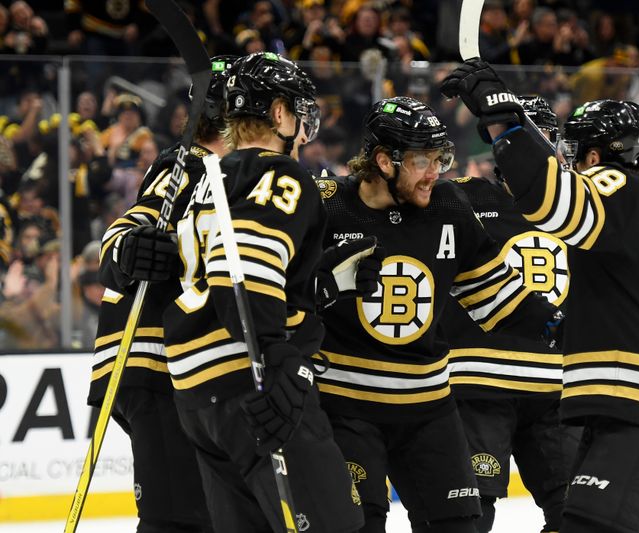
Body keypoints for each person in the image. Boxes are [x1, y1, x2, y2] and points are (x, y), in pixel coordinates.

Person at [441, 59, 639, 533]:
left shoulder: (612, 186)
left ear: (596, 157)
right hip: (637, 398)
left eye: (576, 152)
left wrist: (502, 119)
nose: (570, 162)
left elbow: (548, 199)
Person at [314, 95, 562, 533]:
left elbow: (496, 296)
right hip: (346, 406)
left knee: (461, 526)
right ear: (384, 161)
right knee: (356, 525)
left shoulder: (449, 207)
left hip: (429, 408)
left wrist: (557, 326)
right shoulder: (325, 207)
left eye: (440, 159)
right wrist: (320, 285)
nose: (436, 173)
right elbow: (272, 291)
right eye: (424, 161)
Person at [162, 52, 369, 533]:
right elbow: (248, 273)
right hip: (252, 382)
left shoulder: (207, 179)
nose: (302, 126)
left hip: (195, 393)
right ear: (278, 113)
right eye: (297, 111)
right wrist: (280, 358)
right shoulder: (279, 173)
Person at [87, 55, 240, 533]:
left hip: (186, 367)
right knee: (180, 519)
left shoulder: (232, 170)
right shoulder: (190, 163)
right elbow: (124, 233)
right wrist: (130, 251)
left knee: (209, 515)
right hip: (156, 360)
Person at [442, 95, 578, 533]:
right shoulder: (459, 199)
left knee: (578, 516)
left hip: (556, 393)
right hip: (481, 387)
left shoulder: (581, 209)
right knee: (469, 518)